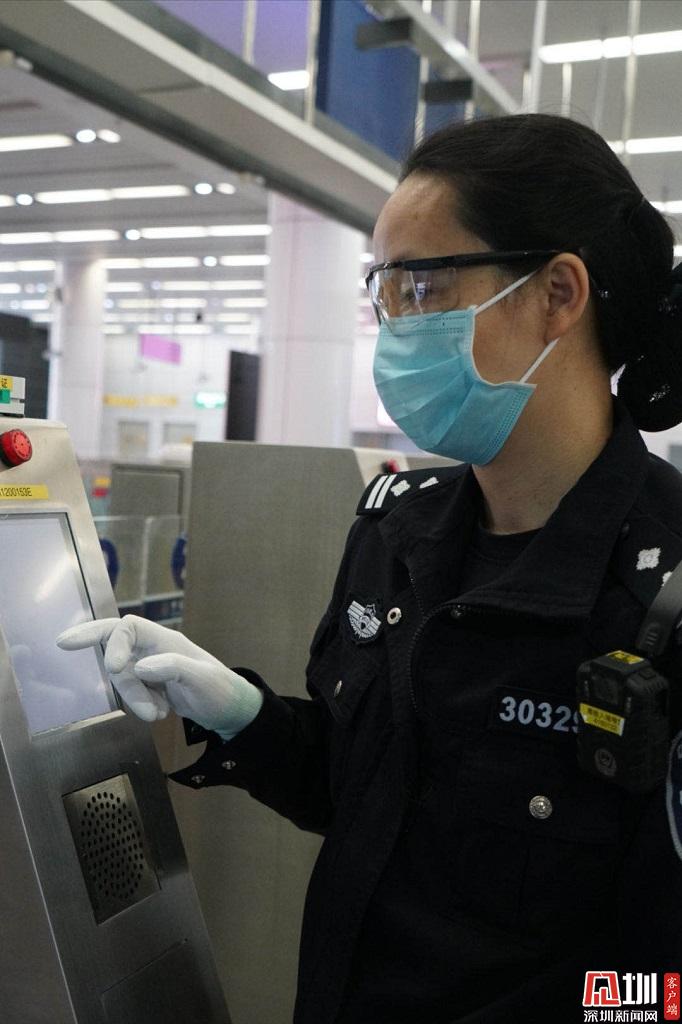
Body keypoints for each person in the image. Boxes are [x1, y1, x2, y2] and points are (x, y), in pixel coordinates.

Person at [58, 114, 682, 1023]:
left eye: (421, 284)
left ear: (557, 292)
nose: (394, 326)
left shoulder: (660, 593)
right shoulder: (399, 532)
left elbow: (663, 984)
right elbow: (360, 794)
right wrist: (241, 712)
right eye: (383, 291)